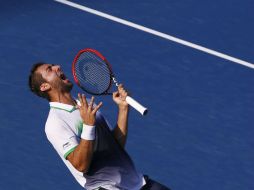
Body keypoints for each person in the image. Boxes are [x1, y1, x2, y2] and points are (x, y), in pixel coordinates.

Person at [28, 62, 171, 190]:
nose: (57, 66)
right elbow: (81, 165)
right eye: (49, 69)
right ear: (44, 86)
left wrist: (123, 109)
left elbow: (116, 145)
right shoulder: (55, 123)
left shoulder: (87, 104)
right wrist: (88, 126)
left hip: (138, 183)